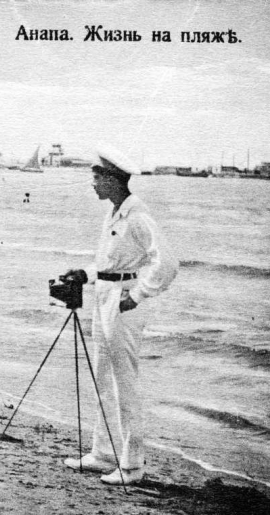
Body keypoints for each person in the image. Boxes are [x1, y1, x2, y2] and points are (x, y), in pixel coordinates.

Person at [62, 144, 178, 485]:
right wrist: (84, 273)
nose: (92, 183)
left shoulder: (138, 218)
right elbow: (109, 264)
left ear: (113, 180)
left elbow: (167, 263)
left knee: (123, 383)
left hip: (123, 304)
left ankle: (132, 465)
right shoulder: (114, 213)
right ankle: (102, 453)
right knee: (102, 378)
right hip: (105, 296)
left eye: (96, 177)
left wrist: (139, 294)